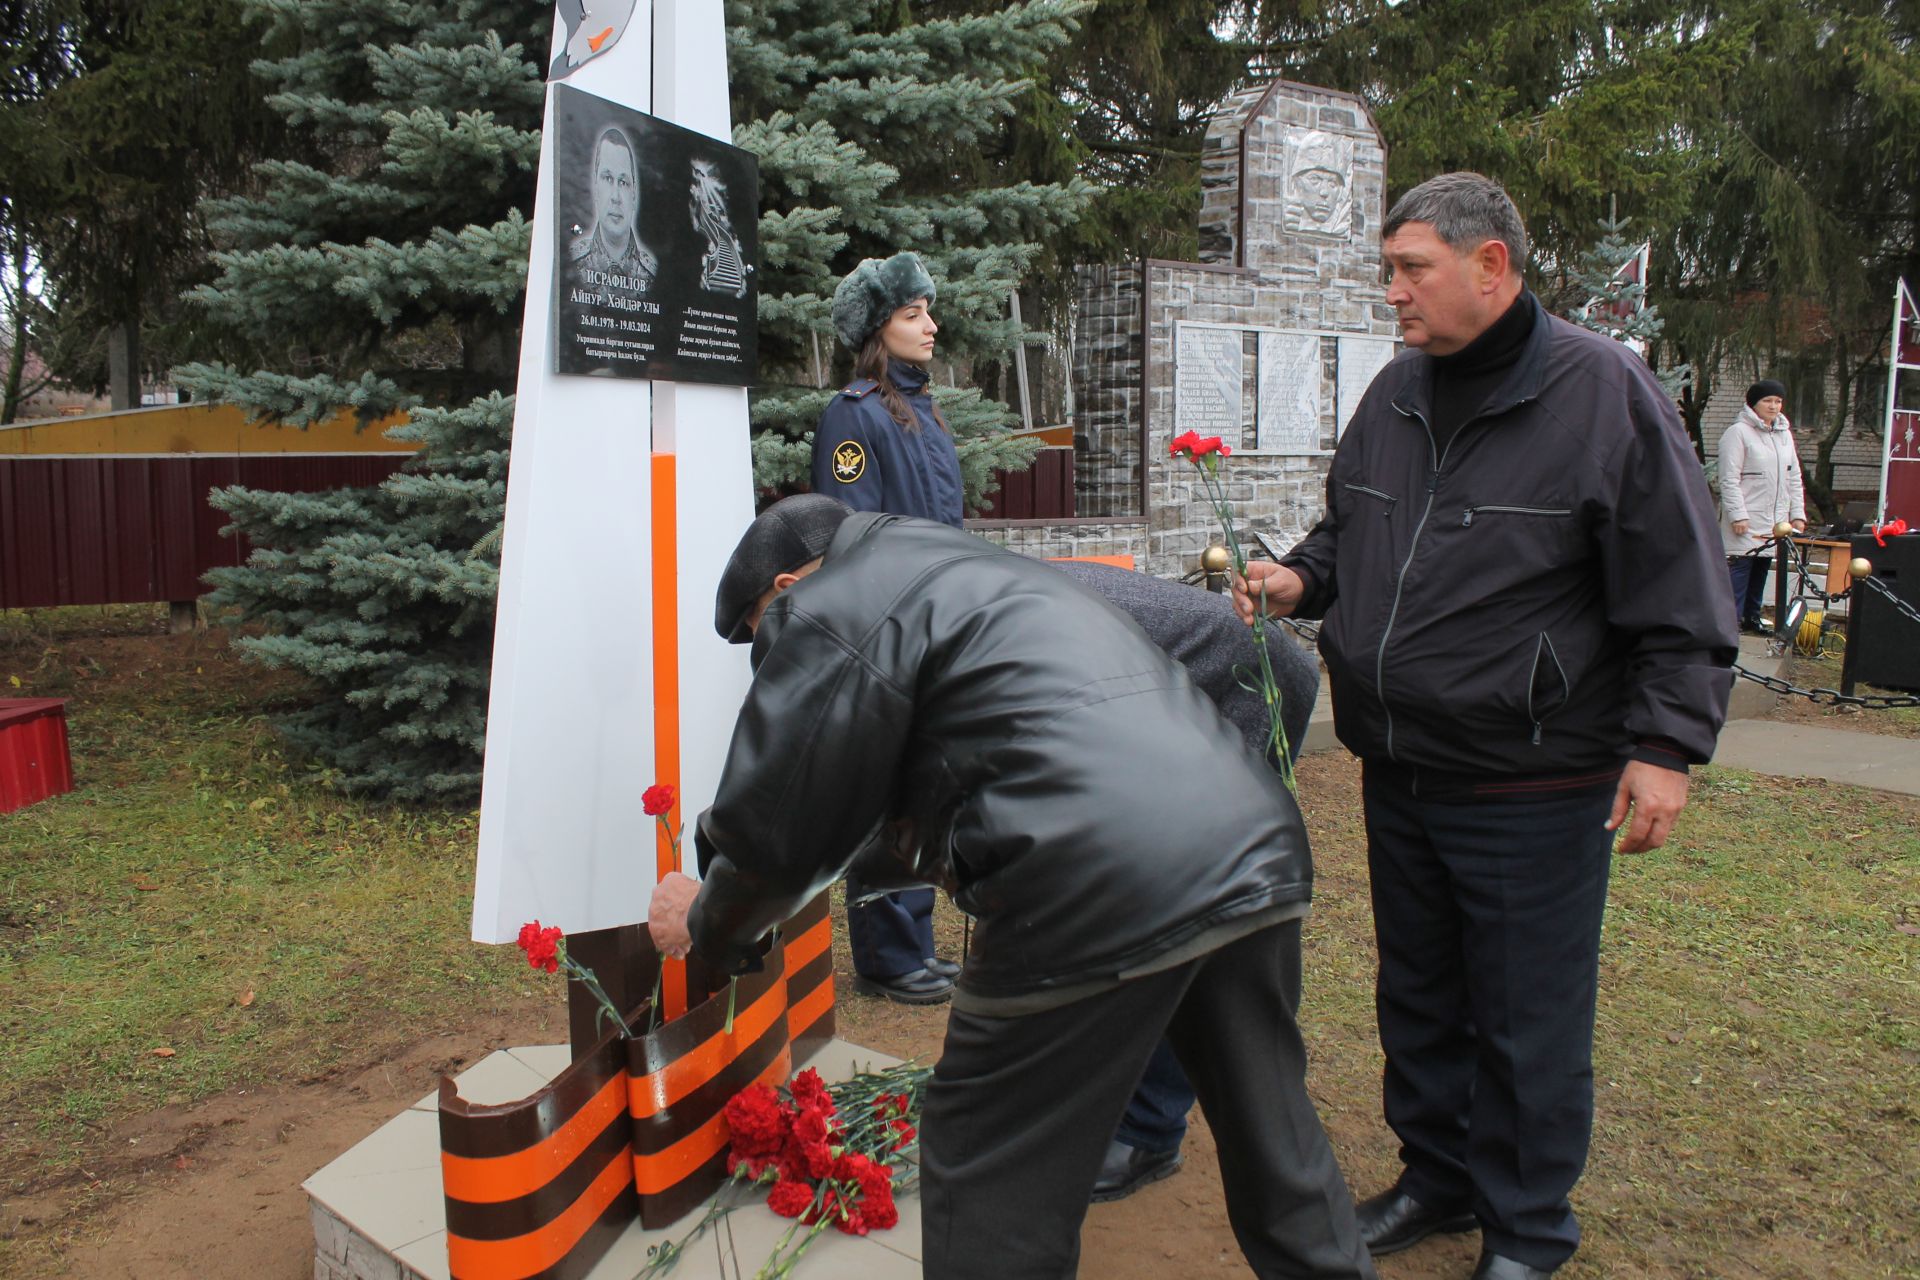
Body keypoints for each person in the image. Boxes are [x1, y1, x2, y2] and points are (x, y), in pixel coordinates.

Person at [650, 495, 1377, 1280]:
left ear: (788, 586)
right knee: (1278, 1146)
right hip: (1248, 836)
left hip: (1088, 877)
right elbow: (950, 771)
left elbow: (782, 825)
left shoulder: (827, 606)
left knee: (984, 1156)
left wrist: (710, 920)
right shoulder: (969, 565)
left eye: (762, 633)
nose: (772, 653)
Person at [1235, 173, 1736, 1280]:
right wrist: (1299, 579)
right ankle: (1440, 1175)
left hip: (1533, 781)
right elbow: (1347, 529)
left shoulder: (1605, 395)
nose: (1394, 293)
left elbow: (1681, 587)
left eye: (1412, 268)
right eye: (1391, 269)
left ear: (1491, 266)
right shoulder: (1397, 392)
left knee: (1524, 1018)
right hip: (1401, 770)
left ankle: (1526, 1229)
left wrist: (1665, 748)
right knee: (1418, 995)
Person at [1051, 563, 1321, 1203]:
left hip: (1249, 687)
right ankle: (1114, 1092)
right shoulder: (955, 603)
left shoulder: (968, 619)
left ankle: (1151, 1129)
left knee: (1197, 918)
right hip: (1178, 696)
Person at [808, 250, 965, 1005]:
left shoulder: (926, 412)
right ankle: (887, 954)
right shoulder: (853, 415)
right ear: (879, 328)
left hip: (941, 620)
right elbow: (853, 529)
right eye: (913, 314)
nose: (930, 325)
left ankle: (918, 940)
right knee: (883, 793)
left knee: (925, 786)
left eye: (929, 310)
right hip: (890, 626)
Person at [1719, 379, 1808, 633]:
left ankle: (1752, 616)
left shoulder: (1784, 435)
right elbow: (1729, 478)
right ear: (1753, 404)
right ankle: (1731, 619)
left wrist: (1797, 514)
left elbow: (1793, 476)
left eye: (1778, 401)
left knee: (1762, 567)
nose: (1773, 406)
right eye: (1767, 401)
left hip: (1774, 518)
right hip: (1748, 514)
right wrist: (1738, 515)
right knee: (1742, 566)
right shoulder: (1738, 433)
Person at [567, 126, 656, 303]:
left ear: (634, 193)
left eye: (623, 182)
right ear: (595, 185)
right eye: (607, 178)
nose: (616, 197)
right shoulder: (570, 265)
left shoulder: (652, 275)